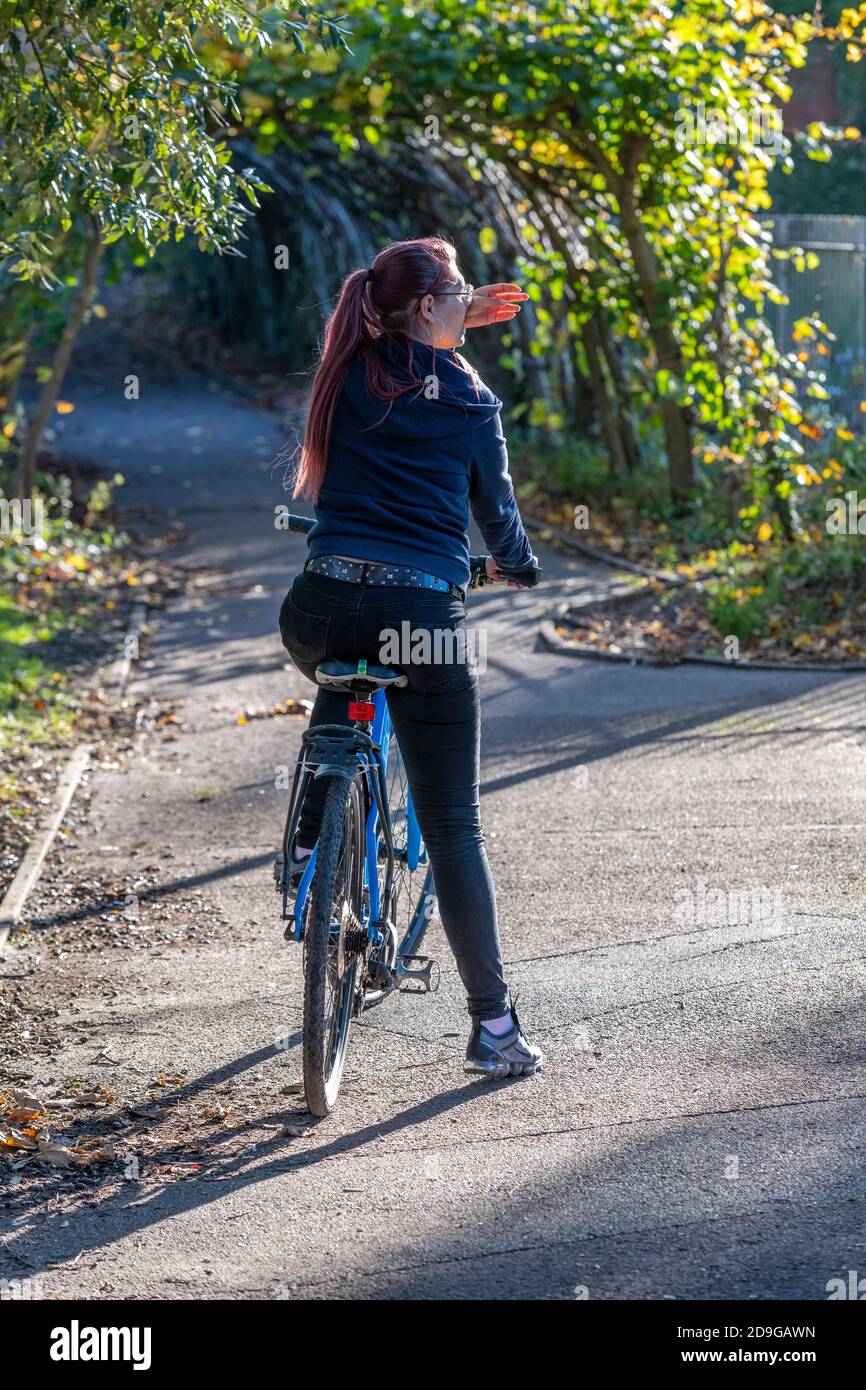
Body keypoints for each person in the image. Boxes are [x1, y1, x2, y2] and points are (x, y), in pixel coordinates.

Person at [278, 235, 543, 1080]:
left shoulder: (344, 369)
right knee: (454, 823)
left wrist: (456, 308)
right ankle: (493, 1029)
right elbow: (495, 515)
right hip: (421, 617)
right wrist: (517, 562)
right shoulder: (470, 400)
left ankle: (310, 852)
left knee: (342, 666)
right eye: (456, 293)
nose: (470, 302)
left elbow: (400, 361)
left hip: (317, 608)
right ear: (426, 307)